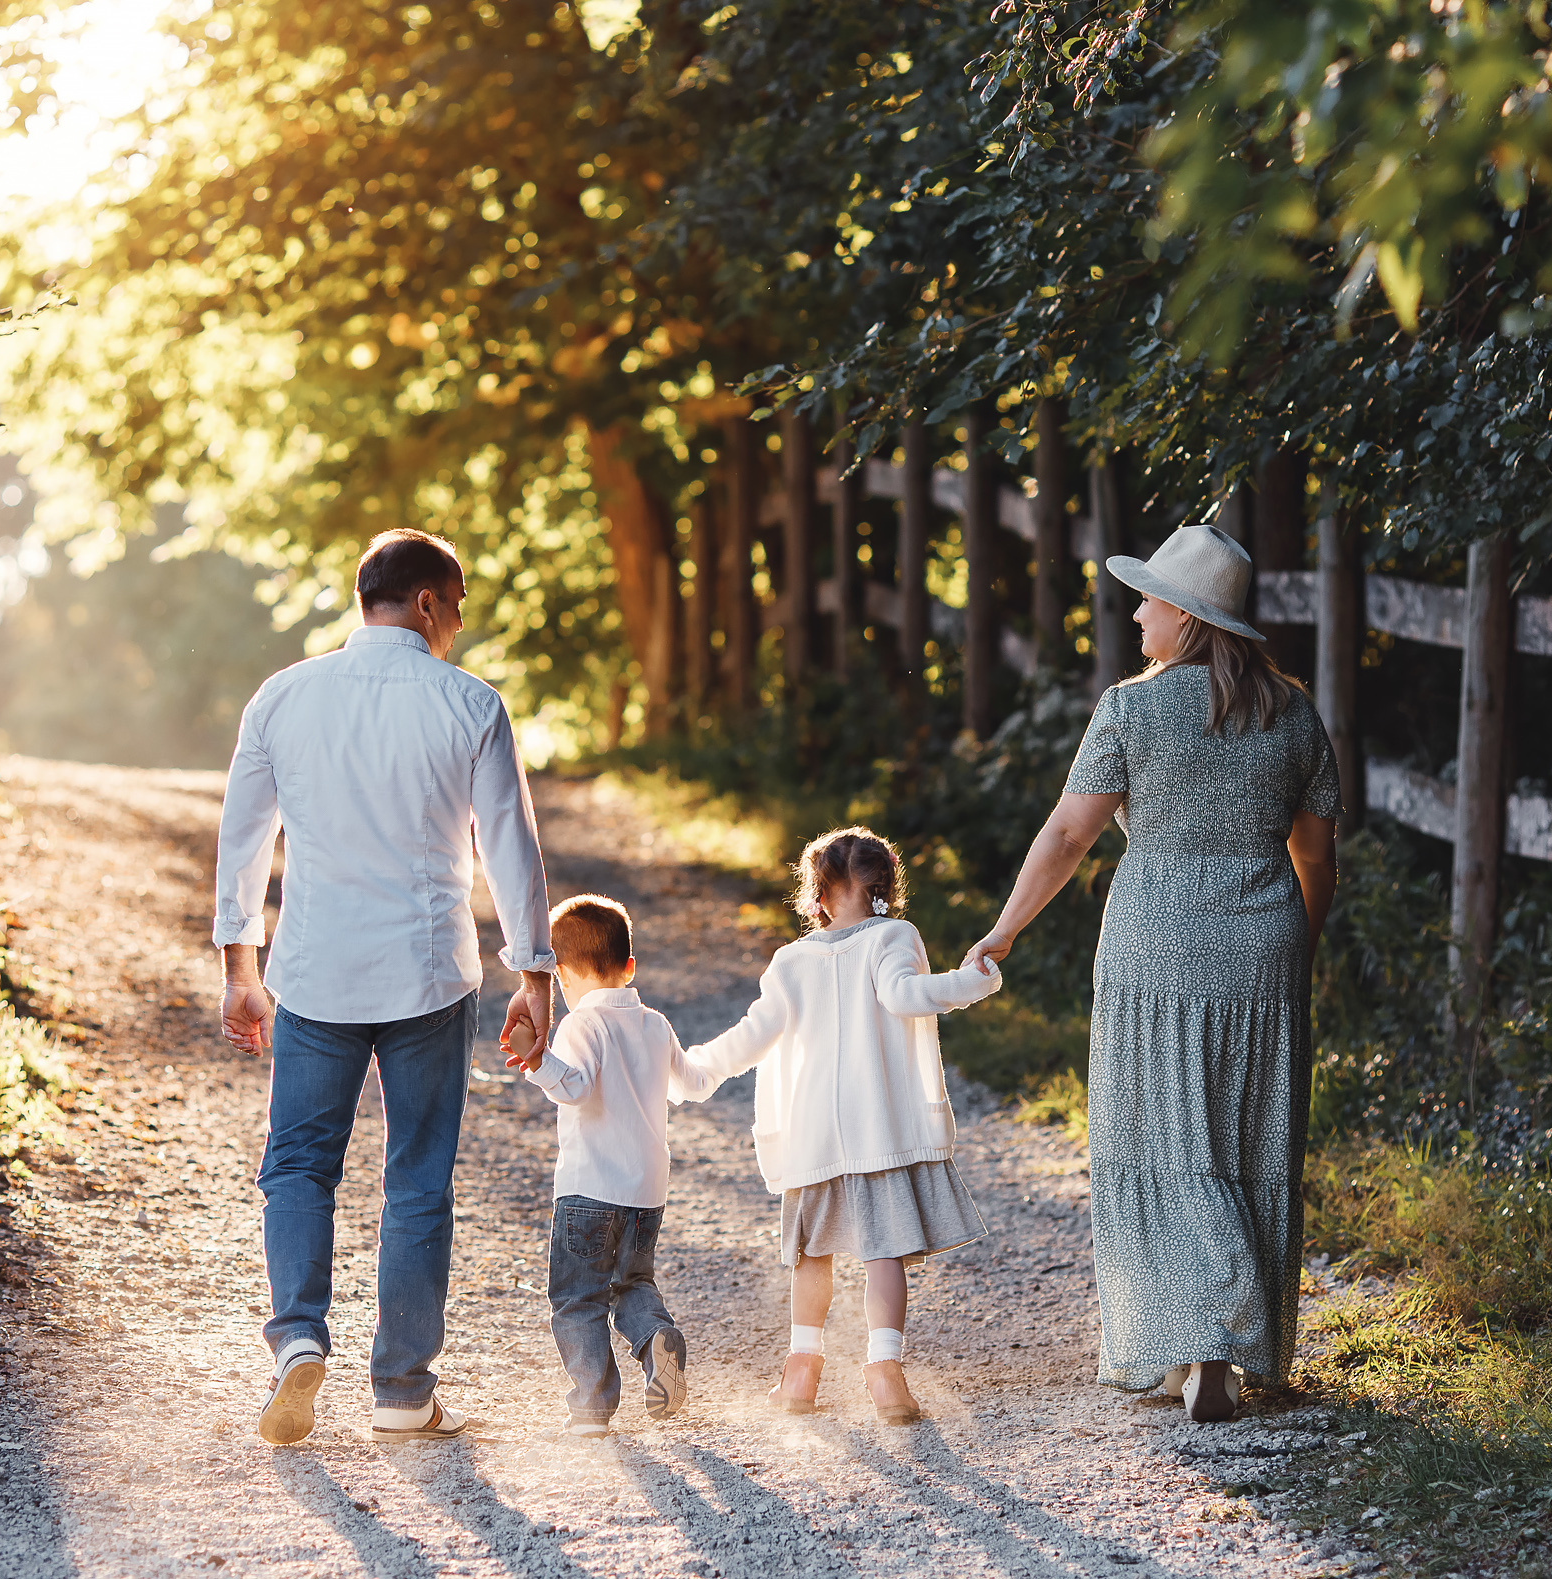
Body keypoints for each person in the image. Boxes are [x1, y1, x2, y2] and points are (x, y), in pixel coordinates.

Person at [964, 522, 1339, 1424]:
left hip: (1153, 940)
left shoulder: (1130, 709)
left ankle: (1191, 1341)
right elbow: (1317, 856)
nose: (1136, 616)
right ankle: (1220, 1344)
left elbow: (1068, 834)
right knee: (1246, 1138)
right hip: (1262, 941)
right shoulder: (1294, 714)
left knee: (1162, 1137)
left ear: (1189, 617)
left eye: (1150, 601)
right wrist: (1299, 942)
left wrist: (1005, 929)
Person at [213, 528, 558, 1447]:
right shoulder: (471, 703)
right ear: (428, 602)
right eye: (458, 608)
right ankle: (403, 1391)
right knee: (417, 1179)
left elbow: (243, 839)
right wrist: (535, 975)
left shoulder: (282, 696)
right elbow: (511, 849)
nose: (458, 627)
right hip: (428, 973)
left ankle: (297, 1338)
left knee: (298, 1164)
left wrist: (239, 966)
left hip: (315, 970)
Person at [683, 827, 1003, 1426]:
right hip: (877, 1130)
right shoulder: (893, 936)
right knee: (884, 1252)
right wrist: (974, 979)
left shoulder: (791, 961)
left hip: (814, 1138)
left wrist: (693, 1069)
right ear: (882, 888)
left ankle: (801, 1370)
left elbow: (752, 1035)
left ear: (819, 894)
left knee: (812, 1255)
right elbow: (908, 996)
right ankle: (885, 1372)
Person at [504, 893, 722, 1438]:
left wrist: (538, 1062)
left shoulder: (581, 1023)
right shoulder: (655, 1024)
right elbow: (693, 1083)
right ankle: (656, 1339)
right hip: (646, 1192)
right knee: (632, 1283)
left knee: (577, 1298)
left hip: (589, 1190)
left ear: (562, 975)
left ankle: (591, 1408)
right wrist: (739, 1049)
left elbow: (574, 1088)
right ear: (630, 966)